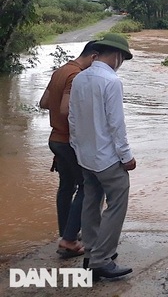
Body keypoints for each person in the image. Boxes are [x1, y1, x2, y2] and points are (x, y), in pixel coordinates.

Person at [69, 33, 136, 279]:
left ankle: (91, 253)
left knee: (91, 202)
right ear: (117, 56)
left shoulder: (80, 78)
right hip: (107, 157)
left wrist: (78, 147)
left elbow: (72, 118)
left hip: (85, 155)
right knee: (116, 203)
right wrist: (126, 156)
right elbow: (116, 124)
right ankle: (101, 259)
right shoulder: (111, 81)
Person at [39, 41, 98, 258]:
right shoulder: (76, 76)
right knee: (87, 185)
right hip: (68, 141)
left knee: (66, 187)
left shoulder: (60, 71)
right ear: (93, 58)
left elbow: (44, 102)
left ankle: (66, 233)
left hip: (55, 139)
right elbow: (65, 109)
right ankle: (70, 239)